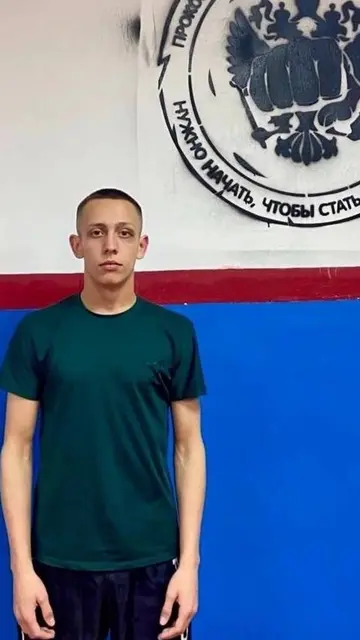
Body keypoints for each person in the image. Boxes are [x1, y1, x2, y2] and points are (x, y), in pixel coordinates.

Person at [0, 188, 207, 640]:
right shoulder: (38, 333)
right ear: (77, 245)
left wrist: (189, 564)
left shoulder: (174, 333)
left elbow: (189, 448)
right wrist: (21, 568)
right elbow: (16, 448)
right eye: (96, 233)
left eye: (124, 233)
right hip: (59, 560)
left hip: (153, 560)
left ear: (142, 245)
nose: (110, 246)